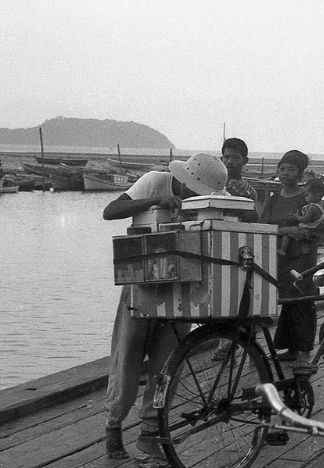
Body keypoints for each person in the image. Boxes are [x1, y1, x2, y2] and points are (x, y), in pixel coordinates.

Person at [101, 153, 228, 464]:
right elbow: (110, 211)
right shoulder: (154, 181)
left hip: (181, 286)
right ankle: (113, 429)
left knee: (167, 364)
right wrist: (154, 202)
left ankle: (149, 435)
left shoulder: (204, 201)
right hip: (143, 284)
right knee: (127, 358)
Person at [259, 150, 324, 370]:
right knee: (286, 300)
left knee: (303, 298)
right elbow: (262, 226)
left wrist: (306, 232)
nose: (285, 173)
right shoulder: (273, 199)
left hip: (303, 256)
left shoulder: (310, 197)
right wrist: (288, 230)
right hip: (279, 256)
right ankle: (290, 348)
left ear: (300, 173)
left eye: (291, 169)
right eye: (282, 168)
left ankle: (304, 351)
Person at [277, 178, 324, 257]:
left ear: (317, 195)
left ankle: (283, 250)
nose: (305, 198)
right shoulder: (322, 204)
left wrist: (296, 217)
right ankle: (303, 248)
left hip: (305, 230)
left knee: (284, 231)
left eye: (307, 195)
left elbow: (305, 219)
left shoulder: (313, 208)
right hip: (310, 230)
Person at [221, 137, 258, 222]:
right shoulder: (210, 182)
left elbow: (251, 221)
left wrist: (244, 199)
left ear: (245, 160)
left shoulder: (249, 191)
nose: (230, 161)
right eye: (227, 157)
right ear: (221, 158)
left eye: (236, 158)